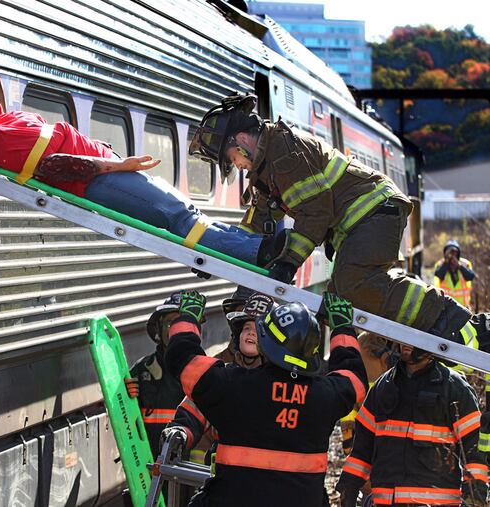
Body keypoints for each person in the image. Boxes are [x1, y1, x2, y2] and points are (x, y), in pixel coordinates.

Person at [189, 92, 490, 349]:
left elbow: (316, 211)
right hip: (362, 219)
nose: (236, 166)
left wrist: (289, 261)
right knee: (334, 302)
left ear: (242, 140)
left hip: (373, 210)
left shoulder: (284, 153)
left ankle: (453, 321)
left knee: (352, 286)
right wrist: (217, 255)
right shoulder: (265, 169)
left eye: (231, 158)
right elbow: (255, 225)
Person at [0, 100, 287, 267]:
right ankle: (257, 252)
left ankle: (254, 245)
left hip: (105, 176)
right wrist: (118, 164)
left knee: (184, 214)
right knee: (178, 217)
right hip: (97, 184)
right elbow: (54, 168)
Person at [163, 290, 367, 506]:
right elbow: (353, 380)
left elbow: (183, 359)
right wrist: (342, 327)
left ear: (264, 343)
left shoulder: (235, 386)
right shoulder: (324, 396)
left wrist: (187, 318)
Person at [335, 342, 488, 507]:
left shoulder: (453, 388)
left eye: (414, 339)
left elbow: (474, 450)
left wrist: (474, 498)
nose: (406, 344)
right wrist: (348, 489)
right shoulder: (383, 387)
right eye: (404, 338)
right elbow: (361, 451)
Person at [161, 292, 273, 465]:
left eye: (258, 330)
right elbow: (195, 408)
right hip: (224, 473)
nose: (250, 334)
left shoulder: (278, 382)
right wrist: (180, 431)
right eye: (246, 328)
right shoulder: (226, 375)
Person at [123, 292, 201, 458]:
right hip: (148, 463)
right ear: (158, 328)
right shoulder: (142, 369)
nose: (177, 329)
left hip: (188, 468)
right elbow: (124, 420)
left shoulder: (205, 371)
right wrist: (124, 396)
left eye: (183, 322)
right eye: (171, 323)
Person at [434, 239, 476, 310]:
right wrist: (446, 262)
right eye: (450, 252)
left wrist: (459, 265)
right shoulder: (441, 264)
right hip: (446, 306)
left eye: (454, 252)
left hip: (463, 307)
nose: (452, 255)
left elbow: (470, 276)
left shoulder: (465, 264)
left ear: (458, 253)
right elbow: (439, 275)